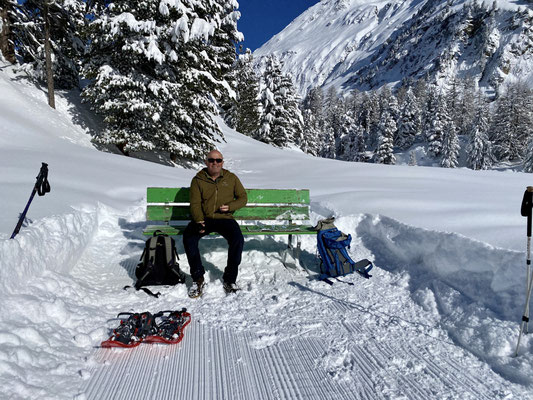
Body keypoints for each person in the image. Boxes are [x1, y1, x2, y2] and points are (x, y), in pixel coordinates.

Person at [183, 150, 247, 297]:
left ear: (222, 162)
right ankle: (197, 278)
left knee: (237, 239)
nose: (215, 163)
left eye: (218, 160)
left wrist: (230, 207)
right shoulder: (198, 180)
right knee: (189, 237)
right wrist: (199, 220)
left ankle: (230, 279)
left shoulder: (231, 178)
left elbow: (243, 197)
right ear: (206, 162)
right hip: (204, 219)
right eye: (211, 160)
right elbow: (195, 203)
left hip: (225, 218)